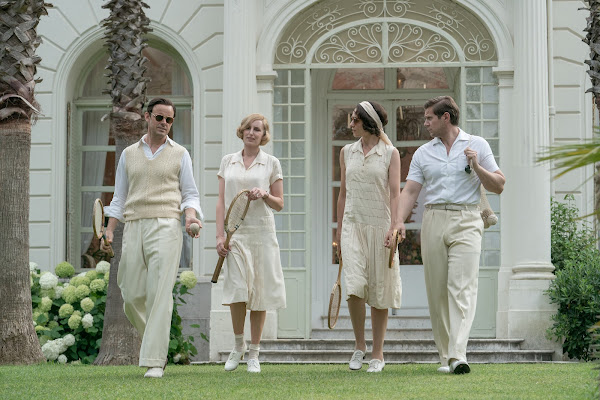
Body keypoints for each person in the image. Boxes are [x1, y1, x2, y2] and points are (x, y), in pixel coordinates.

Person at [397, 96, 505, 374]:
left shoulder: (477, 145)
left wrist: (477, 167)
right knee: (437, 291)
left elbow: (499, 185)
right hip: (433, 219)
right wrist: (397, 222)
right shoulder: (423, 152)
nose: (425, 123)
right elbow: (410, 191)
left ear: (446, 117)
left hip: (467, 219)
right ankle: (446, 355)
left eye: (429, 118)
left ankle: (458, 354)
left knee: (462, 287)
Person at [101, 97, 203, 378]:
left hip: (167, 225)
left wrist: (191, 216)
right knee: (131, 294)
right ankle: (156, 344)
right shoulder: (129, 154)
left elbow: (190, 192)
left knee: (160, 293)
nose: (165, 124)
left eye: (169, 120)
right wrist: (110, 228)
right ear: (147, 117)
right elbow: (119, 196)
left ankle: (154, 361)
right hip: (133, 225)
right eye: (160, 118)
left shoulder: (180, 153)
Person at [216, 113, 286, 373]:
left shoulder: (271, 163)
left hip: (262, 235)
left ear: (263, 135)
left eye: (257, 129)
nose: (251, 133)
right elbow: (221, 202)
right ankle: (238, 346)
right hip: (235, 235)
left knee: (259, 292)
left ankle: (254, 353)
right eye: (248, 128)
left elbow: (280, 203)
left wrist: (265, 194)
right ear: (241, 131)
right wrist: (219, 236)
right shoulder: (228, 161)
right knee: (237, 291)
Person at [336, 101, 402, 373]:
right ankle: (359, 346)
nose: (350, 125)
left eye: (354, 120)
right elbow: (342, 194)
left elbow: (396, 193)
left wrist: (395, 228)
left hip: (380, 227)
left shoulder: (390, 153)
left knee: (379, 289)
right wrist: (339, 233)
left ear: (368, 122)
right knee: (353, 286)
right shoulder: (346, 152)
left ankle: (377, 352)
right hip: (352, 226)